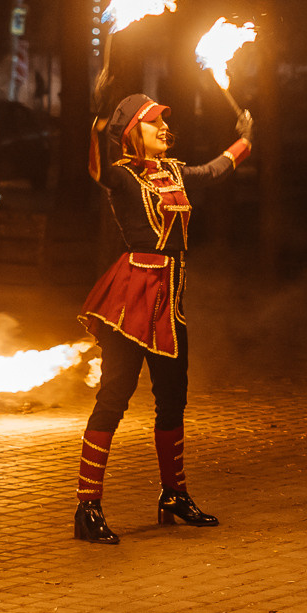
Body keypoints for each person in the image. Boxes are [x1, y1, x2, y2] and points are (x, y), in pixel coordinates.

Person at [71, 93, 251, 544]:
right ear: (133, 133)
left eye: (165, 124)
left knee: (173, 400)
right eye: (155, 124)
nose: (165, 130)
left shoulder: (175, 172)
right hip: (132, 297)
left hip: (171, 301)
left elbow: (213, 171)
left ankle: (174, 494)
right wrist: (94, 123)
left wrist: (246, 141)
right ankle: (87, 505)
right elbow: (94, 171)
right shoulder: (123, 176)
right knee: (114, 397)